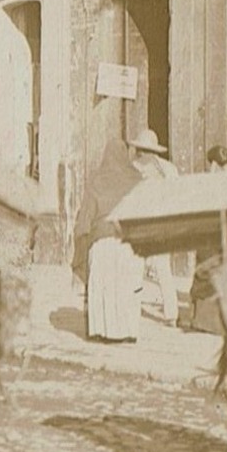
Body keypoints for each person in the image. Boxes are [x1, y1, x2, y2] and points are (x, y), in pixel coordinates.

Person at [72, 137, 145, 344]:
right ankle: (128, 330)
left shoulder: (97, 180)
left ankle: (103, 330)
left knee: (104, 285)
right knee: (125, 285)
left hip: (102, 240)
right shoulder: (137, 178)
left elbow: (86, 214)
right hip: (128, 241)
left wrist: (80, 236)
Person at [129, 128, 183, 327]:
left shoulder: (133, 168)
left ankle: (132, 309)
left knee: (135, 268)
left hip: (141, 223)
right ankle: (172, 313)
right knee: (164, 270)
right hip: (161, 223)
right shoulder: (169, 168)